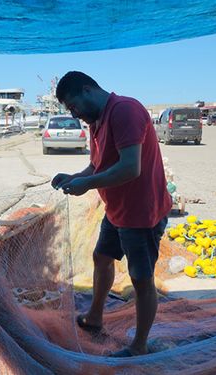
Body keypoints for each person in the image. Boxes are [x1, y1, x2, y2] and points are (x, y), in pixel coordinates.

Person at [51, 71, 171, 357]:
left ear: (88, 90)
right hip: (117, 210)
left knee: (141, 279)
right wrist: (74, 178)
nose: (74, 113)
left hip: (142, 213)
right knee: (101, 258)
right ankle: (95, 317)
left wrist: (86, 185)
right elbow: (97, 165)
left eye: (73, 106)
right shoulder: (97, 122)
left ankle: (139, 346)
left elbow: (131, 168)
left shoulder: (125, 110)